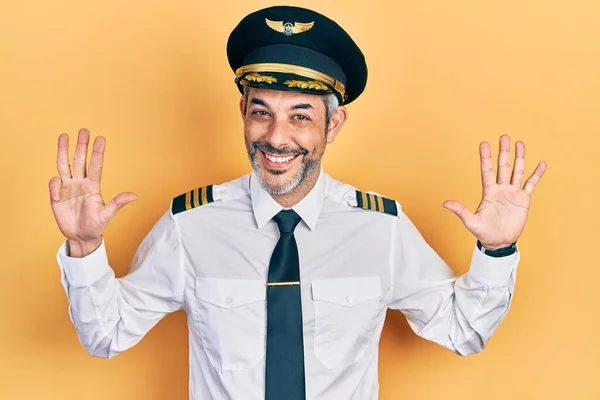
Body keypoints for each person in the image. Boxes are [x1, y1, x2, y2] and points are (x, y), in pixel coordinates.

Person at [49, 5, 547, 400]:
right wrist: (85, 248)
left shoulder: (380, 228)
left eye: (301, 116)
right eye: (261, 111)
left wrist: (497, 253)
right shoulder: (190, 225)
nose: (275, 137)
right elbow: (106, 335)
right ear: (242, 112)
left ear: (333, 124)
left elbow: (462, 331)